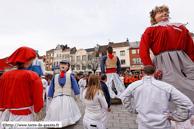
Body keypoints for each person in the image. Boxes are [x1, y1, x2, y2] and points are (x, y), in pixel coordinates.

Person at [139, 5, 194, 128]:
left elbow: (190, 48)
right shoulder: (150, 30)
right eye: (161, 12)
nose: (165, 13)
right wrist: (152, 69)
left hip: (183, 62)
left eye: (166, 11)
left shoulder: (181, 27)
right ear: (154, 17)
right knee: (169, 89)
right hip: (164, 63)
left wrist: (190, 64)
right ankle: (174, 119)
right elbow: (143, 51)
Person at [119, 65, 194, 129]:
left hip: (143, 124)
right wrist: (175, 117)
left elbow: (124, 97)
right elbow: (187, 104)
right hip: (163, 125)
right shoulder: (166, 87)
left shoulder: (134, 86)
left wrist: (133, 110)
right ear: (155, 73)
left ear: (143, 73)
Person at [0, 47, 43, 125]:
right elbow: (37, 96)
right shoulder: (32, 75)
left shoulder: (4, 75)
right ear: (28, 60)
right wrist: (37, 110)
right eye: (32, 60)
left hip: (5, 114)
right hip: (24, 115)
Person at [44, 60, 81, 127]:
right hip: (57, 95)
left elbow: (75, 85)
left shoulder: (70, 77)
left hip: (67, 95)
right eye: (61, 65)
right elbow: (51, 87)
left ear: (68, 67)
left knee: (66, 110)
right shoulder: (55, 77)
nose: (63, 66)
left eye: (65, 65)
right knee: (56, 110)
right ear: (59, 66)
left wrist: (77, 93)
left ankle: (66, 121)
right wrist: (50, 94)